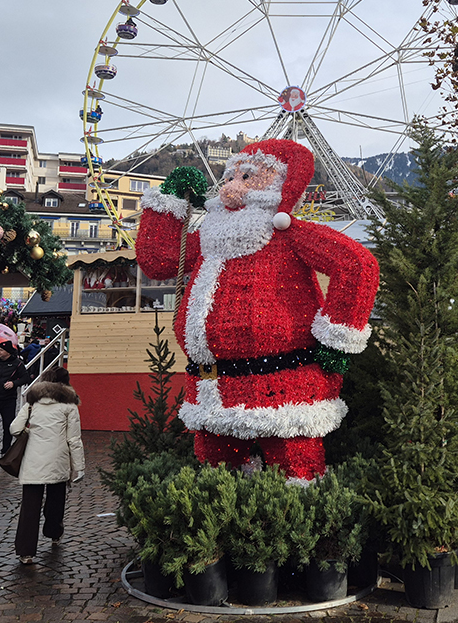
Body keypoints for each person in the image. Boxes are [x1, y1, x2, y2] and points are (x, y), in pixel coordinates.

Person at [136, 140, 379, 481]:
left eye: (248, 176)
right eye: (231, 175)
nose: (231, 186)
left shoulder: (287, 235)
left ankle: (296, 529)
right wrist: (171, 198)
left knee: (294, 470)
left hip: (282, 383)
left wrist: (335, 342)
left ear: (280, 186)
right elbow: (158, 260)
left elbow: (357, 265)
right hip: (209, 384)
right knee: (217, 477)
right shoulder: (209, 239)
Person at [9, 366, 83, 565]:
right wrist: (79, 467)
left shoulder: (32, 404)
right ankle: (54, 532)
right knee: (55, 501)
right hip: (58, 461)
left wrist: (29, 432)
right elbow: (74, 440)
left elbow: (14, 428)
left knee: (29, 507)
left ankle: (25, 551)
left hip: (33, 462)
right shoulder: (70, 406)